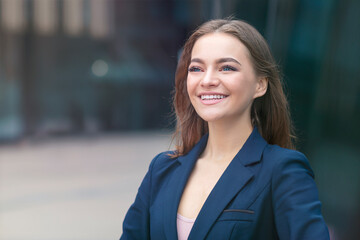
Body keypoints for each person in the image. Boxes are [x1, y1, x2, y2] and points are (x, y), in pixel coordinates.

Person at [120, 19, 330, 240]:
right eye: (197, 68)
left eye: (227, 68)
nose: (207, 80)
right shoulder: (162, 169)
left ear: (260, 85)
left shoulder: (283, 171)